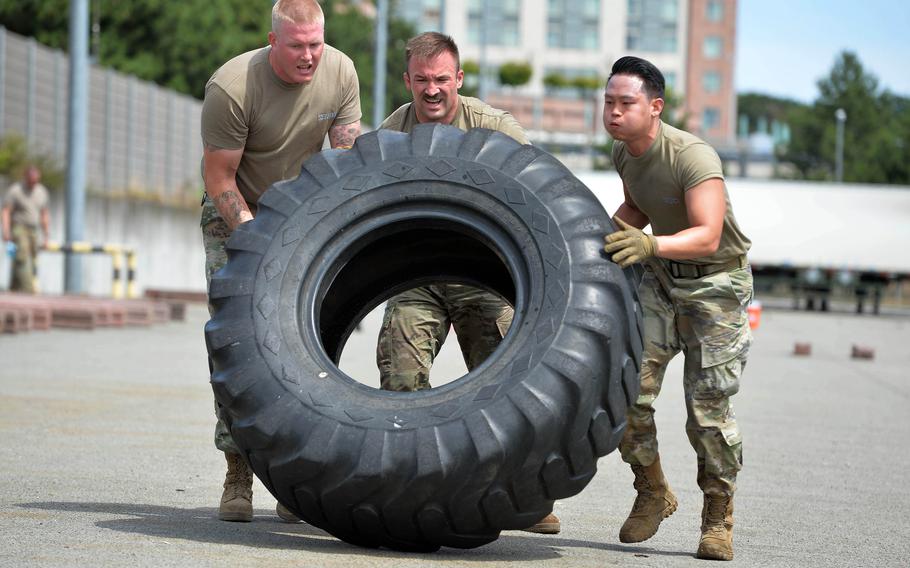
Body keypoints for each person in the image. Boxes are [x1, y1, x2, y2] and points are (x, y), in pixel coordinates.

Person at [375, 31, 559, 536]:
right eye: (421, 80)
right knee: (401, 379)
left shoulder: (493, 128)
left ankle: (528, 494)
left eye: (441, 79)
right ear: (407, 80)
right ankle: (413, 489)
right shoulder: (396, 128)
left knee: (507, 388)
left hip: (482, 274)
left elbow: (540, 184)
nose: (431, 90)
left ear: (458, 78)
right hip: (420, 276)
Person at [200, 0, 361, 524]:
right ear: (274, 42)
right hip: (237, 217)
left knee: (308, 347)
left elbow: (344, 161)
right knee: (238, 347)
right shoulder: (231, 88)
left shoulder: (340, 71)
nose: (310, 55)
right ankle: (238, 472)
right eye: (298, 45)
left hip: (301, 218)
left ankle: (295, 478)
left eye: (317, 43)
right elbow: (220, 179)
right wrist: (255, 242)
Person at [601, 56, 753, 561]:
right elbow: (642, 206)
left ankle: (717, 518)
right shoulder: (625, 152)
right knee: (626, 390)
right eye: (609, 102)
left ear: (655, 107)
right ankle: (653, 490)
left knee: (707, 415)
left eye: (626, 103)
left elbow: (708, 235)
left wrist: (649, 247)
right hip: (663, 281)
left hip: (717, 287)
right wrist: (602, 235)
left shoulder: (692, 155)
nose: (614, 113)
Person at [2, 165, 50, 293]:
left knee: (26, 257)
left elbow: (44, 214)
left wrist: (46, 236)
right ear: (26, 177)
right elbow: (6, 211)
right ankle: (28, 290)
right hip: (19, 228)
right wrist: (6, 231)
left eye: (36, 180)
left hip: (34, 230)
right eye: (31, 180)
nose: (33, 183)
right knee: (22, 257)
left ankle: (13, 288)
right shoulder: (16, 190)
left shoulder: (41, 192)